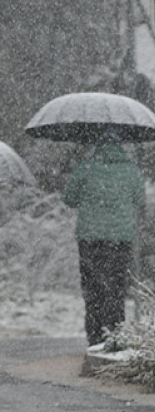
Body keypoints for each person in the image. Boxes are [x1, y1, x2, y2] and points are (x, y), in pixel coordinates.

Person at [61, 138, 146, 346]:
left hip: (90, 239)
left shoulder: (85, 168)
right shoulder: (131, 170)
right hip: (120, 239)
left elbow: (69, 198)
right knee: (116, 290)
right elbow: (140, 200)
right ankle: (115, 337)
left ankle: (95, 337)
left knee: (93, 290)